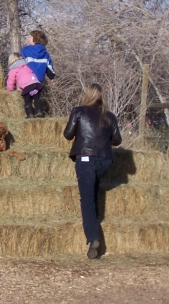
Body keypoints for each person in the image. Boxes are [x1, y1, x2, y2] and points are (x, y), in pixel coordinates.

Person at [63, 83, 122, 260]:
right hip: (104, 161)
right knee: (94, 194)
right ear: (101, 97)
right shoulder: (109, 116)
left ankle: (93, 239)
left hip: (85, 159)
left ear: (87, 95)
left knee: (87, 200)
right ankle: (95, 231)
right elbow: (117, 140)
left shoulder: (79, 111)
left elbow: (68, 134)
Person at [20, 30, 55, 116]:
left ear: (34, 39)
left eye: (30, 37)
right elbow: (49, 66)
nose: (28, 38)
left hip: (28, 79)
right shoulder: (45, 53)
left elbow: (20, 63)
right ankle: (38, 111)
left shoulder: (26, 51)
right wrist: (51, 76)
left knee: (27, 98)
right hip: (38, 80)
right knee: (36, 96)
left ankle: (30, 114)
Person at [5, 52, 44, 118]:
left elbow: (10, 83)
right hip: (36, 83)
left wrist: (10, 91)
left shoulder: (13, 70)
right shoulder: (26, 66)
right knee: (36, 98)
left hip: (28, 86)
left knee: (27, 100)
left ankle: (30, 114)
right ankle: (38, 111)